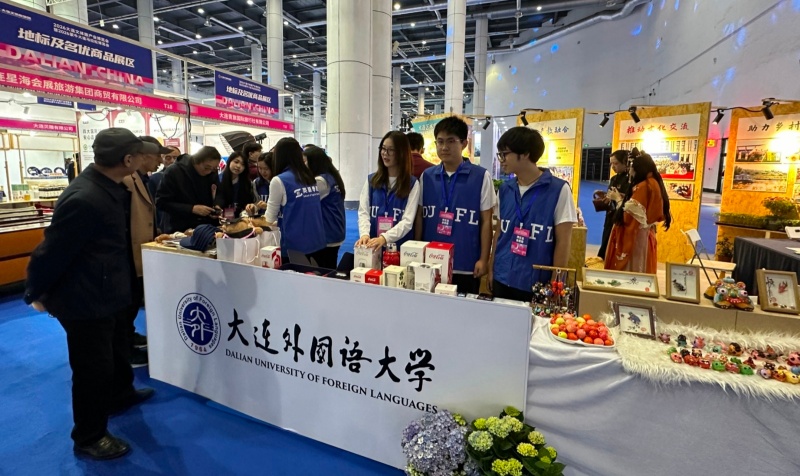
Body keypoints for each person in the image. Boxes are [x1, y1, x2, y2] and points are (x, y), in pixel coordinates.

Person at [24, 128, 158, 460]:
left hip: (108, 290)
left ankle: (120, 394)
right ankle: (89, 435)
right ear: (128, 159)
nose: (146, 159)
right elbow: (51, 252)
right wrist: (36, 291)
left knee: (117, 350)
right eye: (141, 154)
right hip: (85, 299)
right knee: (92, 369)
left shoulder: (110, 188)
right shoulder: (86, 198)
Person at [490, 127, 577, 302]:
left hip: (536, 282)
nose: (501, 160)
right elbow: (499, 232)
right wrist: (492, 269)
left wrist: (556, 283)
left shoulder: (559, 189)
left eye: (504, 154)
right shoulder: (505, 189)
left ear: (525, 154)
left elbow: (563, 241)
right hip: (502, 276)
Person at [415, 116, 494, 294]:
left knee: (464, 309)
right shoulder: (427, 176)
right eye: (440, 141)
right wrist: (418, 250)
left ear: (464, 143)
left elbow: (486, 221)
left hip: (466, 263)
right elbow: (419, 217)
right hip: (432, 262)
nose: (444, 147)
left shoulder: (481, 176)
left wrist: (483, 259)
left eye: (451, 141)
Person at [121, 136, 170, 367]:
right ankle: (125, 349)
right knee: (126, 303)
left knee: (132, 302)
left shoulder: (143, 179)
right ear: (144, 156)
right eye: (158, 156)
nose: (160, 161)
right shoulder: (127, 180)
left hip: (141, 249)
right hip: (128, 253)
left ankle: (129, 336)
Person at [604, 150, 672, 274]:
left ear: (638, 169)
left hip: (637, 236)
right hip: (643, 234)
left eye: (631, 168)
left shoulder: (644, 186)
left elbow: (628, 216)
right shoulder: (652, 183)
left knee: (633, 270)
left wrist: (618, 199)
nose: (630, 171)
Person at [264, 137, 326, 262]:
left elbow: (269, 218)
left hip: (294, 247)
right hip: (317, 241)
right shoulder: (309, 177)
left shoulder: (279, 180)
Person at [356, 131, 420, 250]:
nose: (385, 153)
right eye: (383, 148)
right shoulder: (372, 180)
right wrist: (364, 234)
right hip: (373, 246)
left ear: (402, 153)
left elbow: (407, 221)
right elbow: (363, 211)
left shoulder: (412, 184)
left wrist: (385, 238)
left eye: (391, 150)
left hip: (399, 248)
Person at [156, 146, 221, 233]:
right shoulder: (174, 171)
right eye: (206, 168)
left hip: (207, 227)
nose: (209, 171)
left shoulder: (212, 173)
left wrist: (217, 205)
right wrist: (191, 209)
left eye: (213, 169)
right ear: (196, 161)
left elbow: (219, 193)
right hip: (180, 229)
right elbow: (161, 202)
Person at [305, 146, 346, 269]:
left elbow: (305, 202)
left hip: (327, 233)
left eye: (305, 161)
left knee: (324, 269)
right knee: (328, 267)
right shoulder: (331, 177)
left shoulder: (321, 181)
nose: (303, 165)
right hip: (334, 230)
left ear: (314, 162)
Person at [596, 150, 631, 260]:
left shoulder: (630, 180)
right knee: (606, 244)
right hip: (610, 216)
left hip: (622, 219)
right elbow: (610, 196)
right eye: (611, 163)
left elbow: (631, 200)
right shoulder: (614, 179)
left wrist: (618, 196)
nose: (613, 166)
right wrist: (604, 196)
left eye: (616, 163)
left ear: (625, 163)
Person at [215, 151, 259, 219]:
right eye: (236, 162)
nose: (238, 166)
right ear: (229, 161)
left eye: (243, 164)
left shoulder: (247, 182)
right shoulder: (218, 180)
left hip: (241, 219)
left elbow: (249, 202)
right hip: (220, 218)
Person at [147, 145, 181, 233]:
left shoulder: (186, 178)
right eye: (168, 158)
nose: (172, 161)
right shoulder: (155, 178)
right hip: (163, 223)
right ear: (162, 159)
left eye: (176, 158)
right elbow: (152, 204)